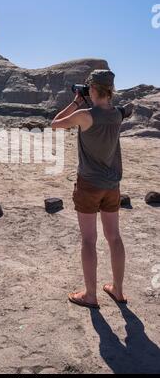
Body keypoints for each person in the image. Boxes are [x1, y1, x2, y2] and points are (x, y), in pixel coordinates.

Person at [51, 69, 133, 309]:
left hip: (88, 184)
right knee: (114, 237)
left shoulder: (84, 115)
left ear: (92, 89)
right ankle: (117, 290)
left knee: (89, 240)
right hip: (112, 184)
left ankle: (90, 294)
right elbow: (124, 109)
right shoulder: (116, 115)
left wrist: (76, 100)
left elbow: (55, 123)